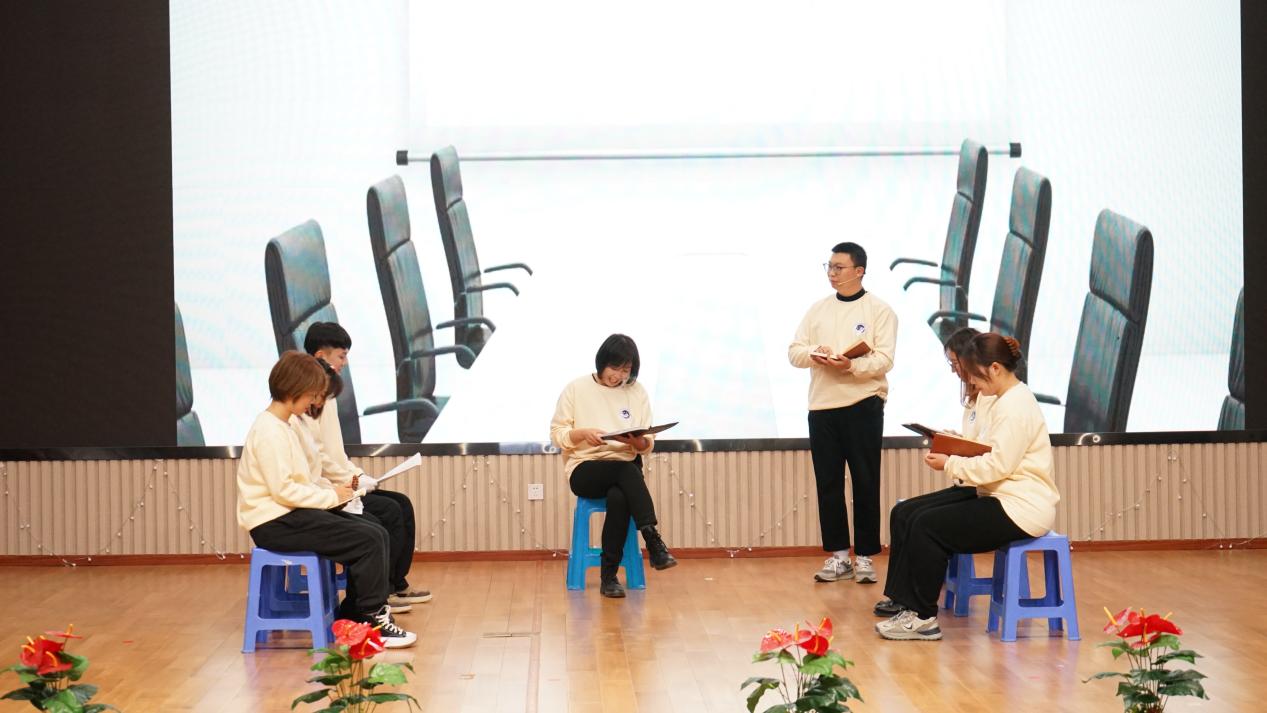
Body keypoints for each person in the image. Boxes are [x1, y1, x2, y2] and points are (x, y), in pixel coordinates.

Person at [874, 333, 1059, 641]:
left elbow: (996, 466)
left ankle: (923, 618)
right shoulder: (1005, 399)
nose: (972, 382)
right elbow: (989, 451)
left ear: (996, 368)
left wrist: (949, 464)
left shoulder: (1014, 407)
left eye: (976, 375)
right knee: (911, 514)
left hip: (1020, 508)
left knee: (927, 526)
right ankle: (909, 605)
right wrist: (955, 448)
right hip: (1001, 496)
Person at [236, 351, 416, 647]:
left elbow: (302, 480)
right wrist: (331, 496)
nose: (313, 402)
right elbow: (284, 491)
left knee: (375, 530)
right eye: (311, 394)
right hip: (274, 522)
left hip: (288, 514)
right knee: (368, 538)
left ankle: (357, 613)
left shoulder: (285, 425)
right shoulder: (270, 430)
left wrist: (337, 495)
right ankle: (371, 619)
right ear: (294, 389)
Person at [789, 242, 897, 585]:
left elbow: (884, 360)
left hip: (863, 403)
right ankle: (838, 557)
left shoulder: (880, 310)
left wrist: (850, 365)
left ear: (859, 271)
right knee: (828, 484)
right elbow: (794, 352)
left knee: (866, 481)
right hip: (822, 407)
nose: (832, 273)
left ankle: (864, 556)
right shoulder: (818, 309)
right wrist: (815, 353)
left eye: (839, 267)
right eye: (829, 267)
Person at [302, 322, 432, 609]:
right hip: (328, 491)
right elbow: (320, 458)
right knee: (387, 514)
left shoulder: (325, 395)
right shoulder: (310, 399)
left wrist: (359, 475)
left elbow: (334, 454)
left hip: (339, 484)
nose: (345, 363)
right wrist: (353, 482)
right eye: (341, 356)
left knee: (401, 504)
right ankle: (379, 593)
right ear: (321, 356)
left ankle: (395, 583)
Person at [873, 326, 991, 617]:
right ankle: (900, 595)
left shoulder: (996, 399)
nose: (953, 370)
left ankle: (918, 606)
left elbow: (991, 455)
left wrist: (951, 460)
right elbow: (979, 443)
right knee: (902, 512)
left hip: (983, 488)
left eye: (955, 363)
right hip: (972, 482)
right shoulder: (974, 398)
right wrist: (954, 441)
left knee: (922, 521)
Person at [549, 334, 677, 598]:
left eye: (626, 370)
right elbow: (557, 435)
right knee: (626, 471)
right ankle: (652, 540)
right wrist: (582, 434)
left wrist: (636, 441)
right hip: (586, 468)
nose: (619, 376)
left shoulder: (636, 392)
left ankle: (609, 578)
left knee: (620, 496)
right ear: (602, 362)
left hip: (625, 465)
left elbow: (646, 444)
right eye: (615, 368)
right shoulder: (576, 389)